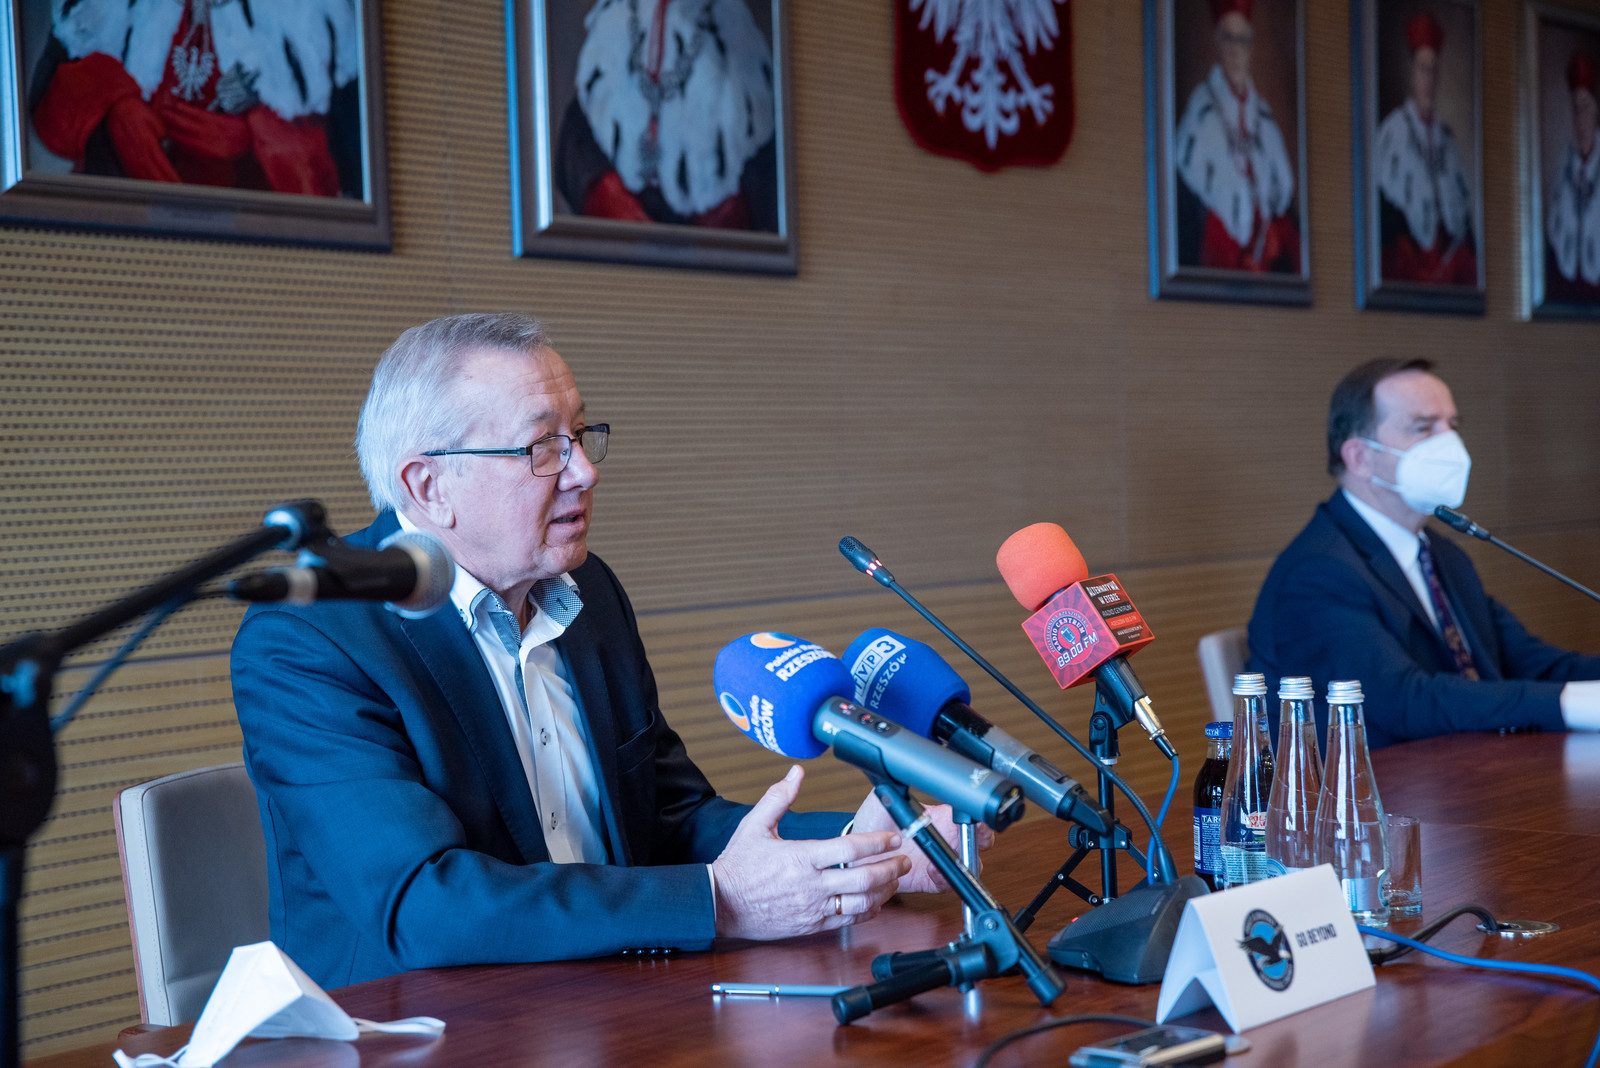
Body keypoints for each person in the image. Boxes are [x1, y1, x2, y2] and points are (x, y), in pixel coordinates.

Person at [231, 313, 965, 989]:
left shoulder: (587, 593)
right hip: (410, 1028)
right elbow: (423, 905)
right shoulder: (311, 640)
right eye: (544, 448)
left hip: (603, 999)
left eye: (581, 436)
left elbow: (671, 820)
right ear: (429, 486)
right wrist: (722, 902)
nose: (584, 470)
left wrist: (863, 849)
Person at [1247, 358, 1600, 750]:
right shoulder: (1317, 573)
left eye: (1452, 426)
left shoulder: (1442, 554)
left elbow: (1534, 665)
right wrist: (1574, 703)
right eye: (1424, 428)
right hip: (1369, 785)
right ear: (1360, 457)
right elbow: (1403, 702)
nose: (1450, 444)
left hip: (1469, 768)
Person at [29, 0, 360, 195]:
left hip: (251, 244)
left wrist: (252, 132)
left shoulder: (303, 17)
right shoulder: (106, 11)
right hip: (129, 234)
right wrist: (119, 112)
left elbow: (338, 162)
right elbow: (50, 125)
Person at [553, 0, 778, 229]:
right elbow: (577, 156)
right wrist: (613, 202)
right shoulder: (612, 35)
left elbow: (766, 180)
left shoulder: (736, 41)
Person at [1173, 0, 1299, 273]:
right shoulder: (1202, 109)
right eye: (1228, 39)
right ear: (1218, 43)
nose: (1235, 50)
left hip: (1266, 248)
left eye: (1242, 41)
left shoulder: (1263, 115)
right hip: (1220, 249)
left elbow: (1281, 195)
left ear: (1250, 47)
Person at [1373, 12, 1477, 286]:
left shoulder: (1447, 140)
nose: (1428, 80)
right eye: (1422, 69)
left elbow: (1462, 219)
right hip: (1409, 264)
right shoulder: (1393, 130)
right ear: (1413, 72)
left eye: (1433, 70)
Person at [1545, 50, 1600, 304]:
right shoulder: (1564, 169)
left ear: (1596, 112)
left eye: (1586, 108)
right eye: (1576, 110)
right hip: (1568, 285)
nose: (1581, 119)